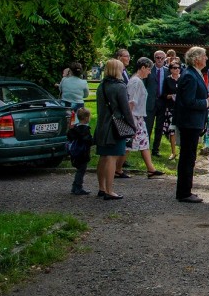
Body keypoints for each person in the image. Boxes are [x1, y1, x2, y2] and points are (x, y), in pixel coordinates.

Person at [175, 47, 209, 203]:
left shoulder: (193, 74)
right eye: (204, 56)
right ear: (196, 59)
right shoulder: (190, 76)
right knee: (188, 157)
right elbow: (189, 101)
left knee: (189, 157)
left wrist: (207, 97)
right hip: (189, 122)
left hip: (193, 122)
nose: (206, 58)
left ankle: (185, 190)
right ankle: (184, 192)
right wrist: (207, 102)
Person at [95, 59, 134, 200]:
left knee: (103, 156)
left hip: (102, 125)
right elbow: (125, 109)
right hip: (115, 127)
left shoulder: (101, 86)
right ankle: (110, 190)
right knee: (112, 157)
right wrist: (132, 125)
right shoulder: (120, 87)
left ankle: (101, 187)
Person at [125, 57, 164, 179]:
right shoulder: (136, 82)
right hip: (134, 117)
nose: (149, 72)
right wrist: (130, 120)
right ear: (142, 68)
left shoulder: (138, 81)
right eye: (148, 69)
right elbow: (131, 102)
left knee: (143, 142)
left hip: (139, 117)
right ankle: (116, 168)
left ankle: (150, 169)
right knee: (129, 144)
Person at [145, 50, 167, 158]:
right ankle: (146, 149)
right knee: (148, 126)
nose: (159, 60)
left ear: (165, 59)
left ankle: (156, 149)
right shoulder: (149, 70)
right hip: (150, 102)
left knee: (159, 127)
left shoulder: (167, 71)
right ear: (154, 58)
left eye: (162, 58)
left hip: (162, 102)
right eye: (157, 58)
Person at [68, 107, 93, 195]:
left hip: (75, 153)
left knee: (79, 170)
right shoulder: (85, 129)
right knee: (81, 170)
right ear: (86, 118)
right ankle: (78, 187)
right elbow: (88, 141)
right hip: (83, 153)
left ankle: (74, 187)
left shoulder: (75, 128)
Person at [162, 61, 182, 160]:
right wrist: (171, 96)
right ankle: (173, 152)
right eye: (174, 68)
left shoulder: (183, 79)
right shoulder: (167, 80)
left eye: (178, 67)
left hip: (182, 108)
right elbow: (164, 94)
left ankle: (183, 151)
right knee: (172, 130)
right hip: (170, 107)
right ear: (170, 69)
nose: (177, 69)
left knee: (182, 129)